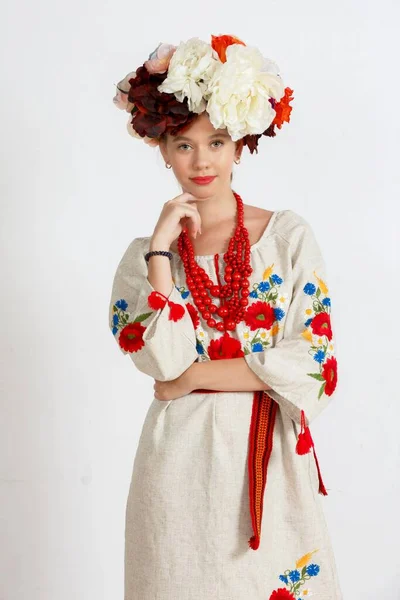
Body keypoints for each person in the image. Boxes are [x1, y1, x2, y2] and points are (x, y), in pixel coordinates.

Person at [109, 34, 342, 600]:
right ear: (162, 149)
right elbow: (159, 360)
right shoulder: (145, 257)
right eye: (184, 145)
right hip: (176, 468)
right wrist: (163, 252)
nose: (202, 160)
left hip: (268, 468)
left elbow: (316, 366)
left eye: (216, 141)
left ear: (240, 144)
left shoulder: (287, 236)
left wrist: (193, 378)